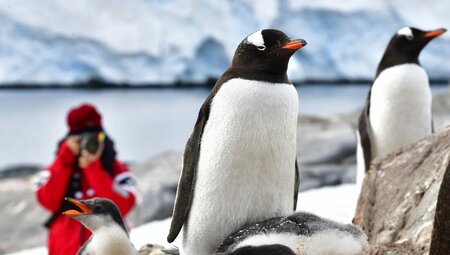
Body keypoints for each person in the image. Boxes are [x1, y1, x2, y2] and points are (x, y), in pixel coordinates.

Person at [34, 103, 137, 255]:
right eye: (81, 138)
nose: (89, 143)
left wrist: (93, 168)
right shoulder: (59, 166)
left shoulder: (116, 169)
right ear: (70, 138)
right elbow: (46, 200)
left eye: (96, 136)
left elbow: (125, 204)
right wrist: (65, 159)